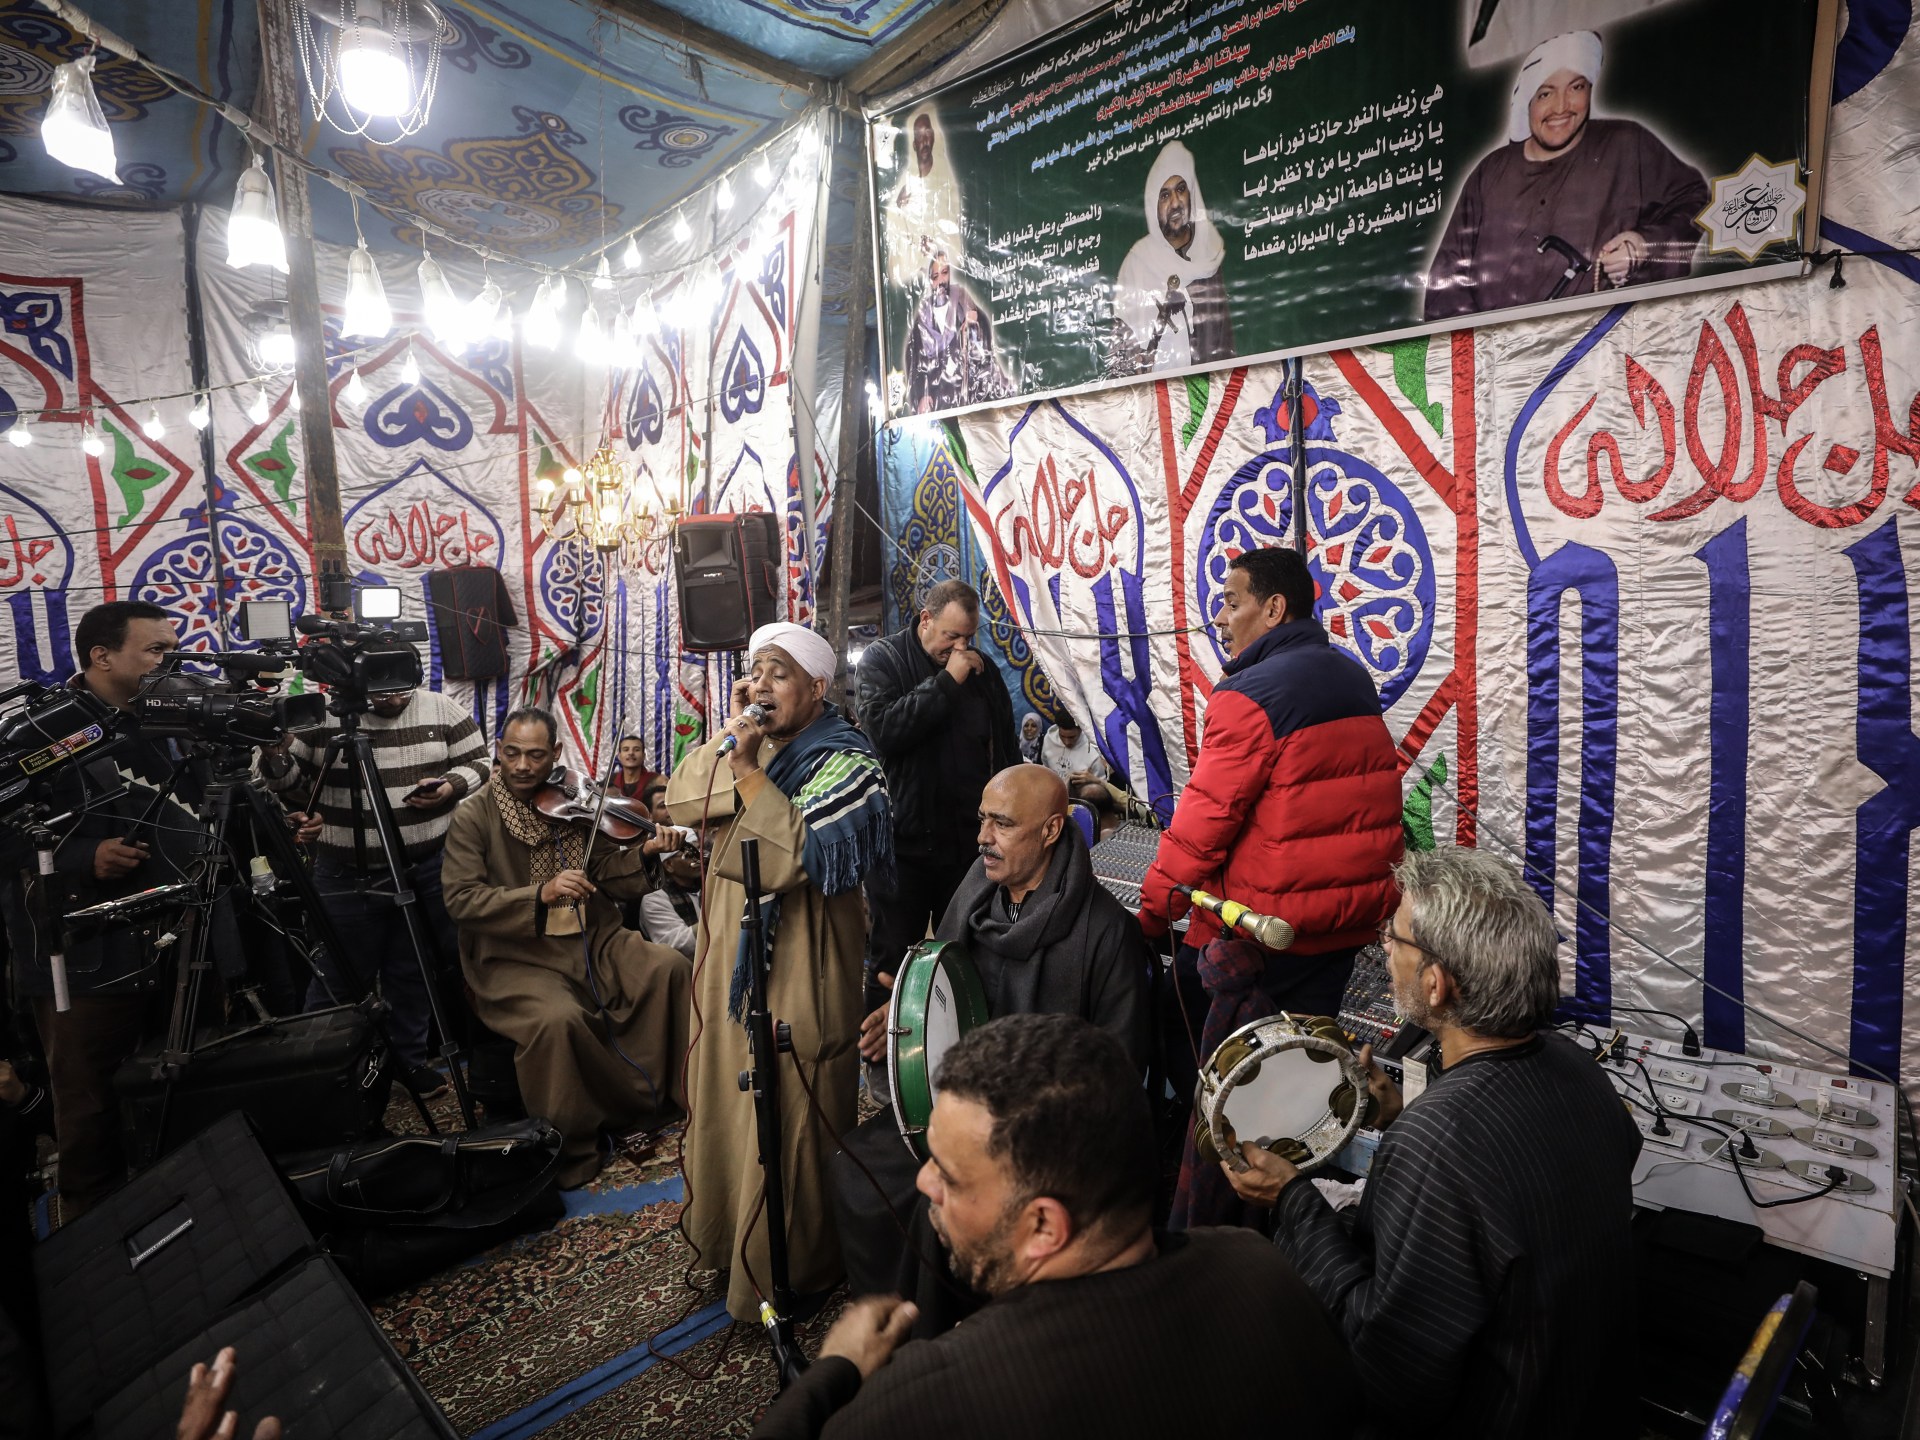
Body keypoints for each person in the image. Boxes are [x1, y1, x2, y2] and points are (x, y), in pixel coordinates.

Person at [753, 1014, 1355, 1440]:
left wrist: (835, 1373)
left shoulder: (932, 1399)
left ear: (1044, 1226)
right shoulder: (1260, 1266)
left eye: (950, 1176)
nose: (924, 1182)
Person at [1228, 848, 1643, 1439]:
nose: (1383, 948)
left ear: (1435, 983)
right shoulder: (1577, 1067)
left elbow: (1389, 1375)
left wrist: (1293, 1198)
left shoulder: (1436, 1139)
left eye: (1393, 938)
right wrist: (1403, 1115)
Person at [1135, 547, 1402, 1228]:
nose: (1221, 618)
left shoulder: (1250, 695)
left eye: (1232, 602)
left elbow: (1203, 825)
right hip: (1338, 929)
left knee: (1210, 1066)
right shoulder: (1352, 677)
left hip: (1262, 932)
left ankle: (1218, 1209)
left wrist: (1155, 908)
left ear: (1274, 608)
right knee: (1301, 1073)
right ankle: (1290, 1209)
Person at [833, 764, 1153, 1303]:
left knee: (933, 1204)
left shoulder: (1106, 932)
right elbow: (949, 980)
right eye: (982, 819)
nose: (983, 836)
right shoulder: (979, 888)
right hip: (963, 1099)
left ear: (1050, 831)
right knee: (855, 1166)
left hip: (1042, 1131)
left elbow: (1119, 1067)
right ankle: (892, 1319)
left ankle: (945, 1329)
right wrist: (909, 1008)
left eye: (1002, 823)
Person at [674, 623, 895, 1323]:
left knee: (792, 1112)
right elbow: (681, 800)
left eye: (777, 673)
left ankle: (793, 1270)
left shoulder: (849, 762)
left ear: (817, 686)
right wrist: (731, 732)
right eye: (755, 672)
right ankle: (726, 1247)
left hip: (802, 965)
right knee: (731, 1103)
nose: (761, 687)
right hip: (733, 964)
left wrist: (747, 773)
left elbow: (789, 857)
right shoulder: (751, 742)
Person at [0, 602, 212, 1217]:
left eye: (173, 649)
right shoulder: (37, 733)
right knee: (90, 1107)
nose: (170, 662)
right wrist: (81, 857)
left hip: (178, 940)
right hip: (83, 957)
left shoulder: (171, 718)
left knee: (184, 1087)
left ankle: (193, 1217)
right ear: (102, 656)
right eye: (156, 650)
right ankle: (93, 1239)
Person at [440, 706, 690, 1188]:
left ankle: (668, 1100)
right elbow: (461, 899)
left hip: (593, 937)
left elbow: (607, 874)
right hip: (515, 954)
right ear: (498, 750)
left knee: (668, 968)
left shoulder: (575, 803)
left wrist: (644, 853)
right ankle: (571, 1148)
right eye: (512, 753)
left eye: (536, 755)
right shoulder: (473, 815)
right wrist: (540, 893)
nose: (522, 765)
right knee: (557, 1020)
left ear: (555, 752)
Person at [260, 686, 489, 1097]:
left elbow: (481, 761)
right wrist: (275, 751)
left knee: (413, 972)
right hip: (344, 873)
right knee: (338, 978)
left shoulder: (441, 707)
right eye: (381, 689)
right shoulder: (325, 715)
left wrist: (451, 785)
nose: (392, 698)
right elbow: (289, 783)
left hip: (425, 867)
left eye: (400, 687)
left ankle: (408, 1062)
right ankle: (320, 1076)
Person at [1423, 30, 1708, 321]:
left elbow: (1694, 200)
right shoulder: (1490, 172)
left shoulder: (1626, 144)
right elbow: (1446, 281)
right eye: (1545, 93)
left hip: (1602, 341)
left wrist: (1643, 246)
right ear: (1527, 101)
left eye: (1576, 87)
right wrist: (1486, 339)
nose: (1561, 107)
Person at [854, 581, 1017, 1090]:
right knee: (892, 957)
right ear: (925, 620)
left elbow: (1004, 749)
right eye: (951, 636)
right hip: (899, 847)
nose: (961, 647)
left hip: (964, 844)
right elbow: (886, 731)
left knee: (964, 954)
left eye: (968, 637)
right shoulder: (882, 661)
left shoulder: (983, 673)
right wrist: (947, 680)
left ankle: (959, 1061)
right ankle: (883, 1069)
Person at [1110, 140, 1233, 376]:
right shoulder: (1137, 263)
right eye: (1165, 195)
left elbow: (1223, 342)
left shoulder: (1209, 255)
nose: (1175, 203)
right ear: (1153, 205)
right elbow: (1122, 355)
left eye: (1181, 189)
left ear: (1191, 193)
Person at [902, 251, 1009, 414]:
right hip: (938, 394)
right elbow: (914, 361)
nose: (941, 281)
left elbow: (983, 334)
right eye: (935, 276)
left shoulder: (961, 298)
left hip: (967, 385)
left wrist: (975, 320)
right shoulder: (923, 315)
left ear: (950, 273)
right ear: (930, 280)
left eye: (944, 273)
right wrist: (923, 394)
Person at [885, 111, 965, 295]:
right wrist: (898, 207)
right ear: (914, 144)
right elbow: (893, 225)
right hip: (914, 272)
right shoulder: (906, 182)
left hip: (942, 264)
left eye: (928, 134)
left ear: (933, 137)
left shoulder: (945, 176)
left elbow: (954, 219)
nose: (925, 141)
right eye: (919, 137)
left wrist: (934, 243)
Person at [638, 780, 702, 960]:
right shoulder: (654, 899)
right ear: (668, 865)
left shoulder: (710, 883)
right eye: (688, 854)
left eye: (698, 850)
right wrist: (718, 919)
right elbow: (676, 944)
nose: (698, 858)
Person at [1039, 713, 1111, 815]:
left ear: (1081, 730)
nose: (1067, 742)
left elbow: (1101, 788)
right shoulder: (1049, 739)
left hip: (1082, 804)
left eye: (1072, 737)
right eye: (1062, 736)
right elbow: (1045, 766)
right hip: (1053, 798)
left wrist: (1090, 780)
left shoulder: (1093, 749)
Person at [610, 735, 656, 800]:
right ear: (619, 756)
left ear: (643, 756)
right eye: (626, 750)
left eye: (636, 750)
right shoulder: (610, 781)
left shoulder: (656, 781)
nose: (631, 753)